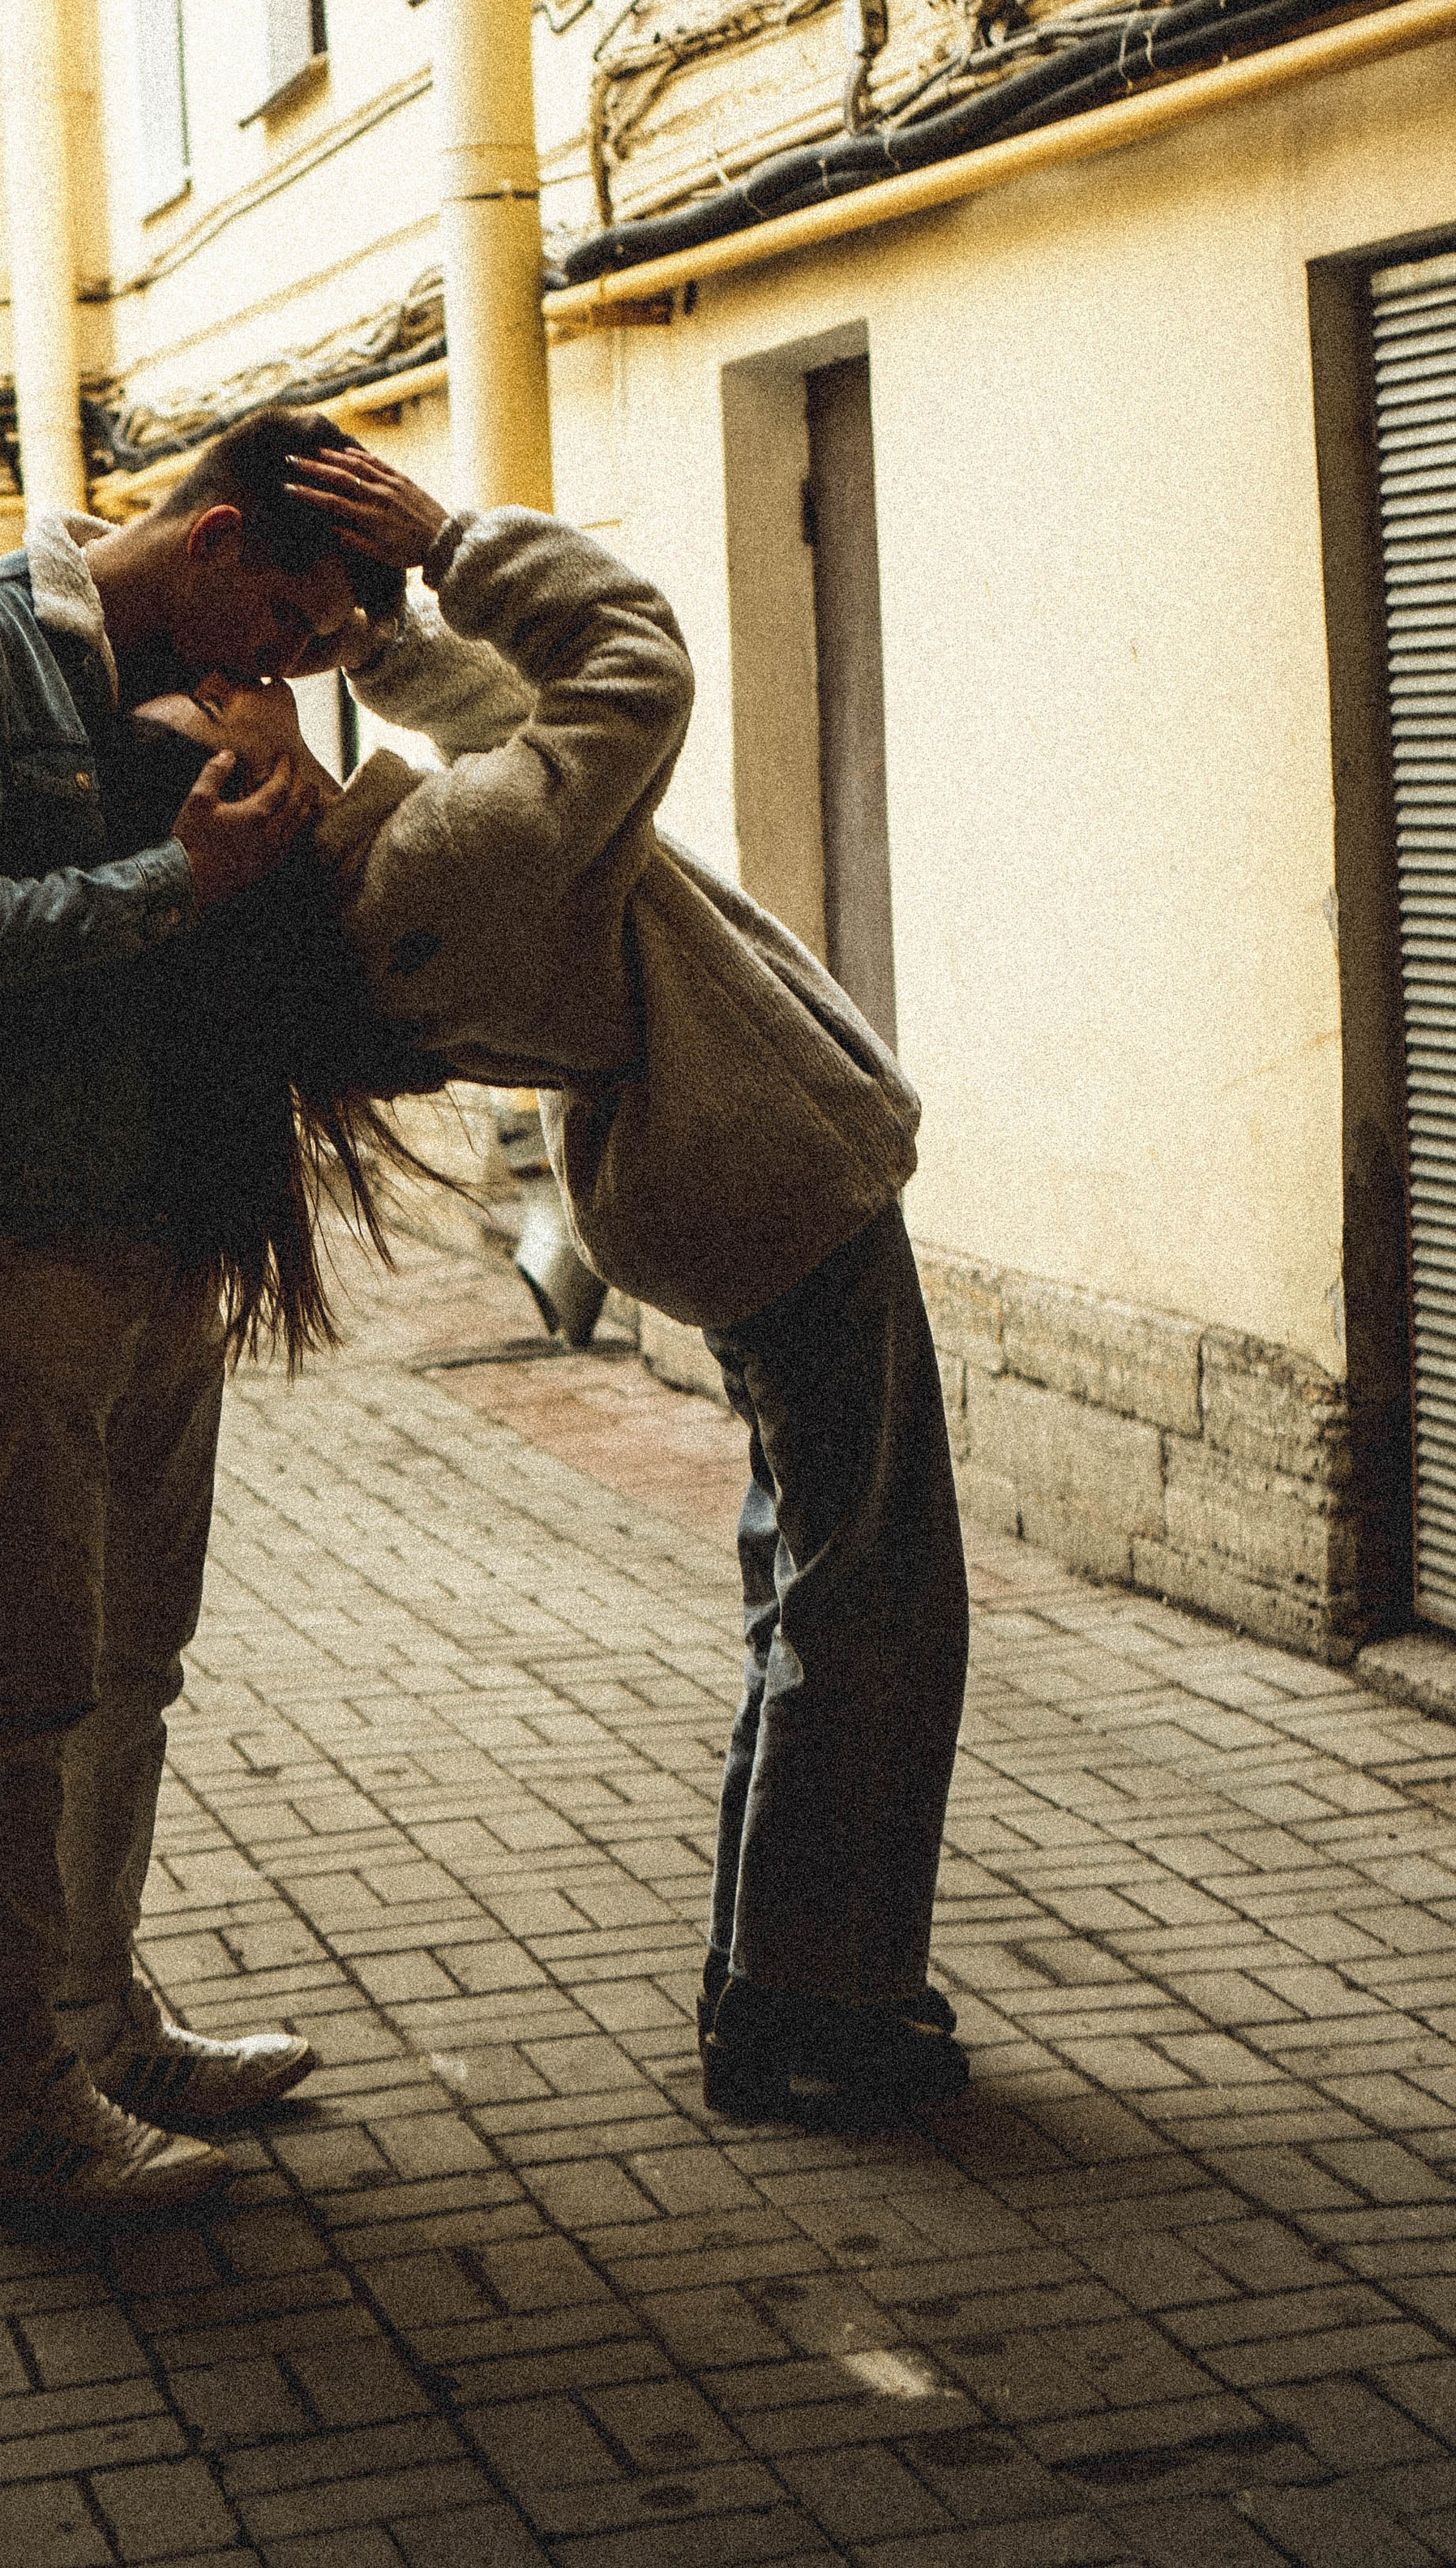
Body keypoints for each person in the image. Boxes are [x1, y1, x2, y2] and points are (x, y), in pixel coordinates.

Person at [156, 425, 970, 2125]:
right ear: (235, 797)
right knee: (869, 1602)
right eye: (222, 706)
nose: (251, 684)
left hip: (722, 1181)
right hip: (769, 1181)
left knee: (819, 1585)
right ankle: (814, 2006)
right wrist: (451, 543)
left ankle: (784, 1975)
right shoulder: (433, 868)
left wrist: (384, 644)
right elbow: (626, 675)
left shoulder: (380, 890)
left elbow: (510, 745)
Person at [0, 416, 388, 2219]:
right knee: (23, 1670)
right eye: (286, 621)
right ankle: (11, 2101)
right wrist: (179, 880)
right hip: (14, 1220)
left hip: (169, 1216)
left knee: (137, 1648)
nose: (285, 662)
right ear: (215, 541)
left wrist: (288, 814)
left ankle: (98, 2021)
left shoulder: (202, 697)